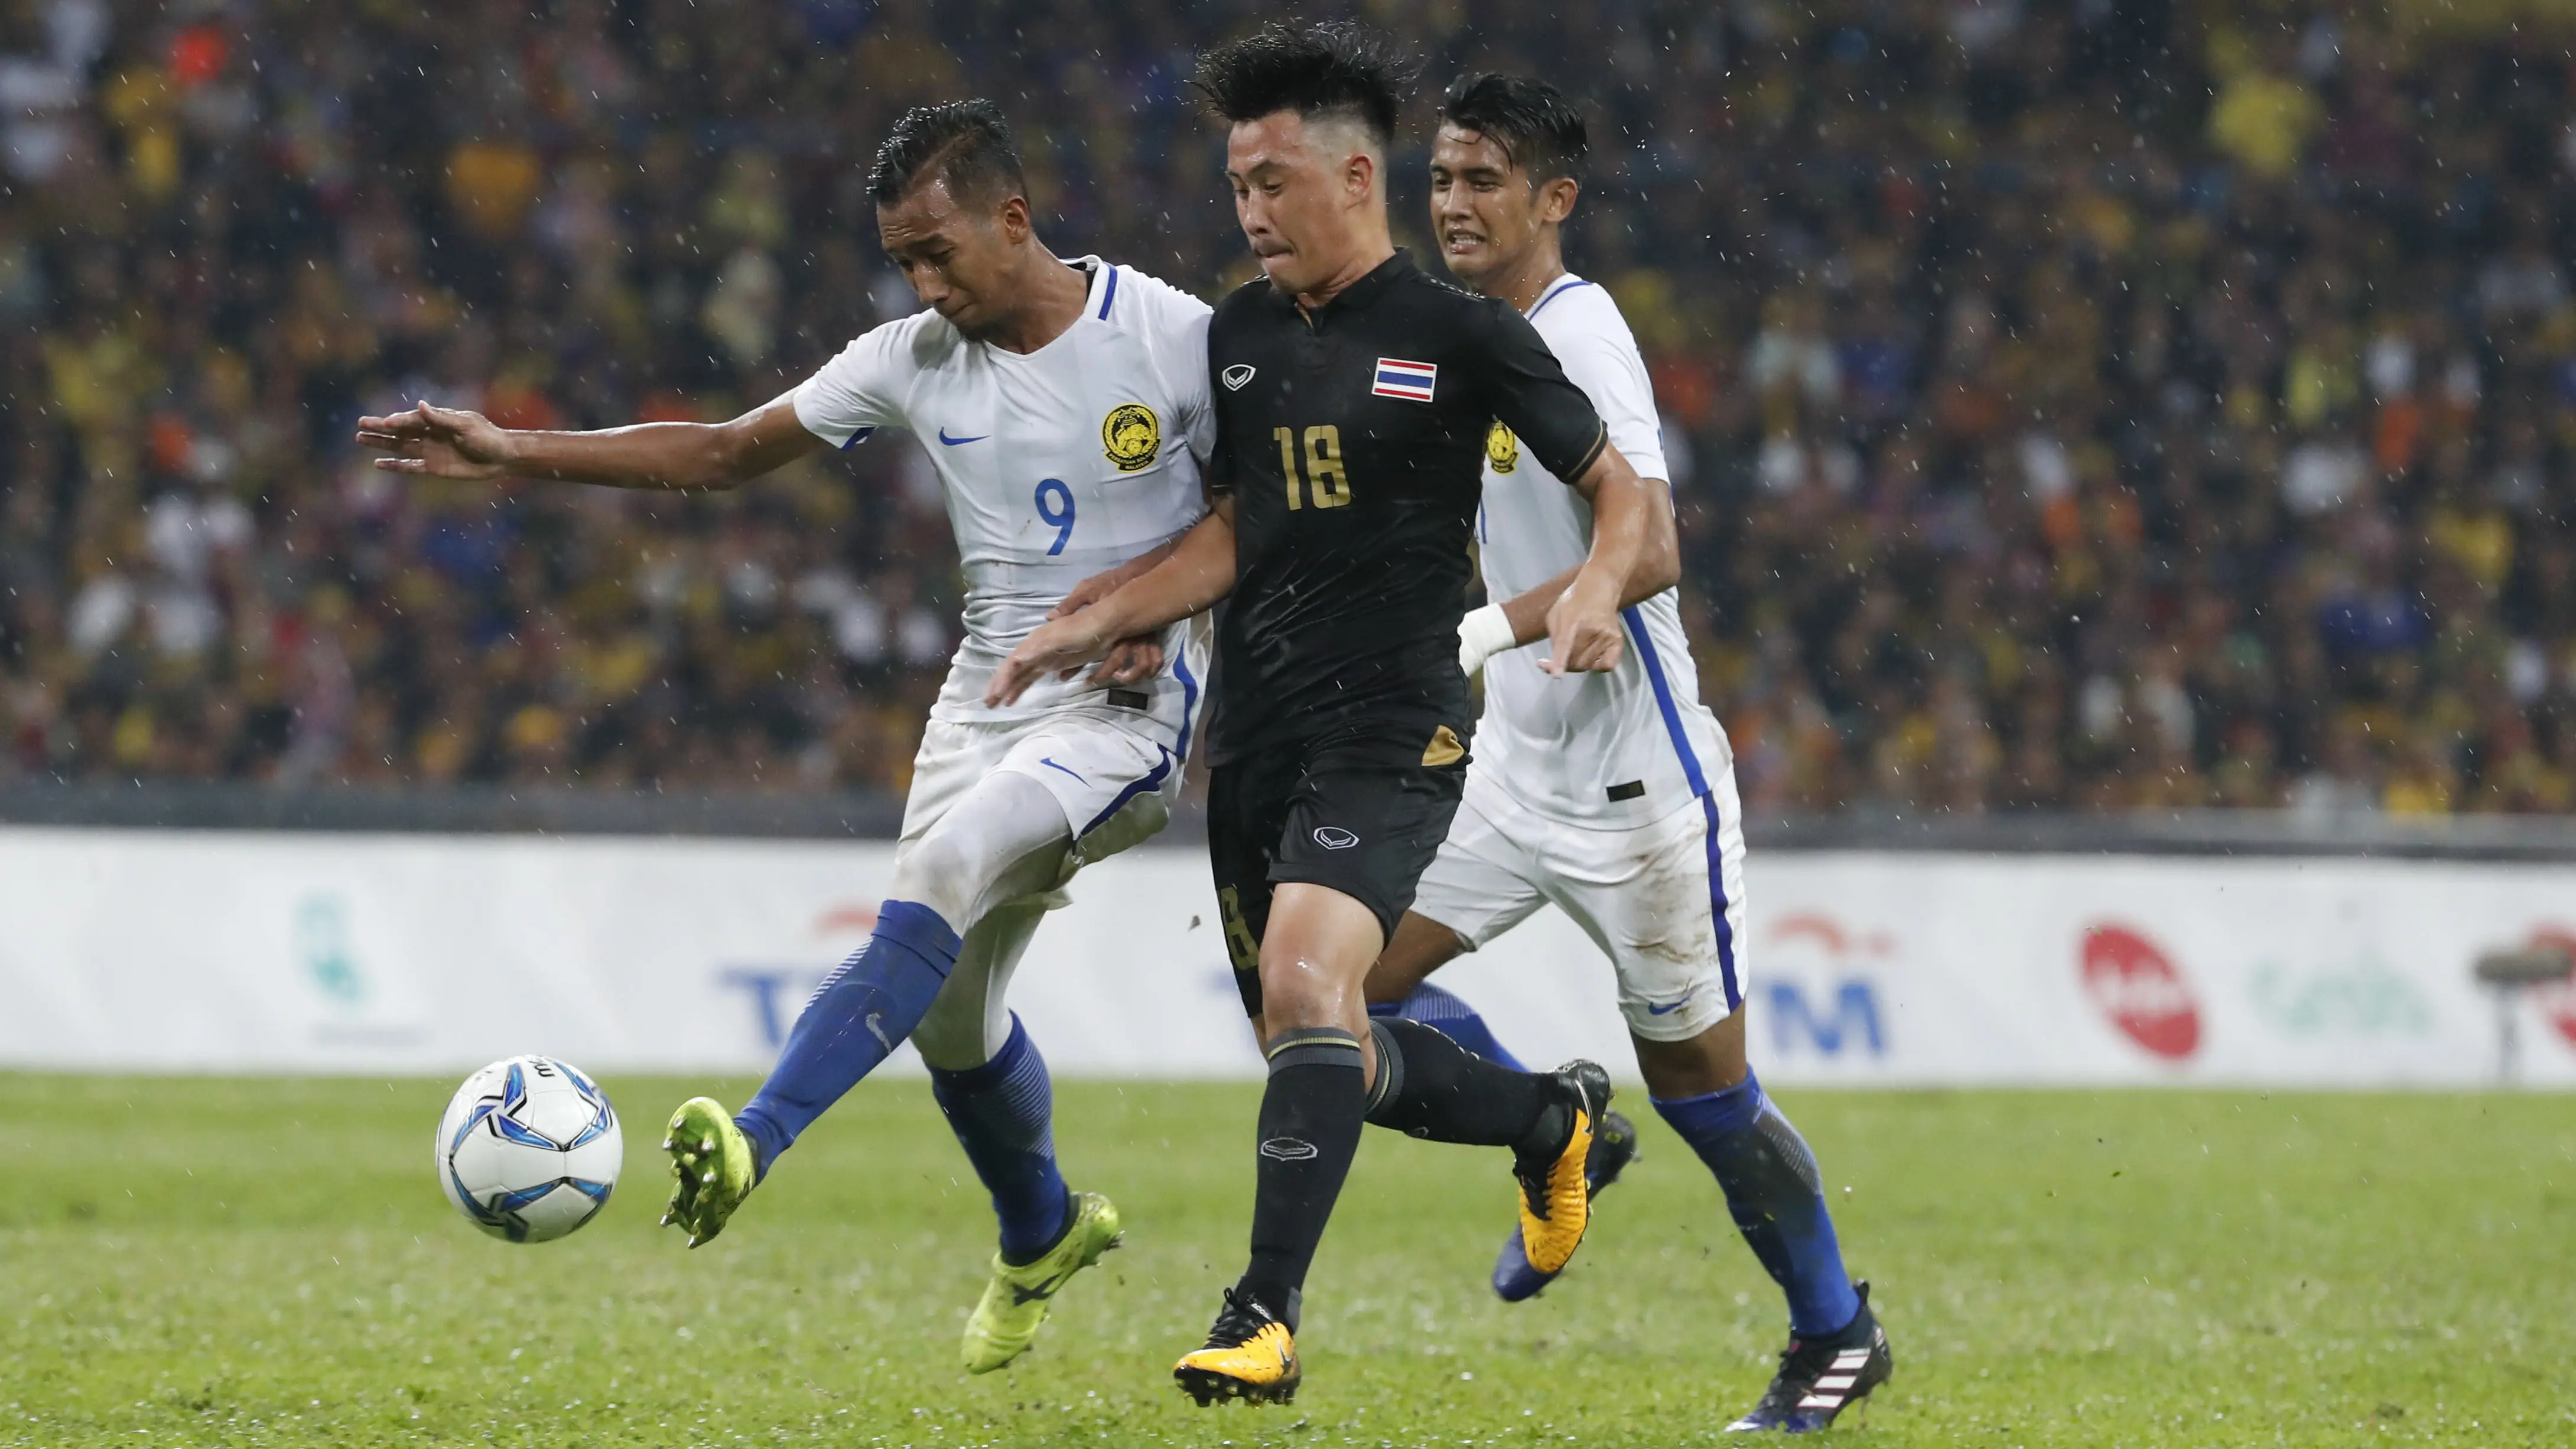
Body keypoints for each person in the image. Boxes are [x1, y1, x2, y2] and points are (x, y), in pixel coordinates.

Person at [355, 100, 1211, 1376]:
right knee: (952, 1021)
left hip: (1121, 713)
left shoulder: (1175, 338)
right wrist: (513, 450)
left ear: (1013, 219)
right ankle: (1039, 1229)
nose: (923, 285)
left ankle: (755, 1134)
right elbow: (719, 452)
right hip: (983, 702)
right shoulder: (914, 355)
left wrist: (1153, 605)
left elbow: (1272, 513)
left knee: (937, 876)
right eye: (902, 262)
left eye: (938, 253)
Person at [988, 21, 1670, 1408]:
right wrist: (1108, 611)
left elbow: (1625, 495)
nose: (1248, 212)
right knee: (1324, 1045)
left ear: (1356, 176)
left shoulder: (1461, 335)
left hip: (1398, 724)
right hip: (1259, 735)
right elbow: (1237, 528)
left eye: (1272, 182)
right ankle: (1553, 1116)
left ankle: (1263, 1316)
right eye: (1235, 185)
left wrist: (1596, 588)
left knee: (1307, 987)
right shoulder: (1234, 337)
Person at [1364, 74, 1895, 1431]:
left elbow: (1646, 540)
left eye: (1484, 181)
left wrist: (1539, 610)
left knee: (1710, 1095)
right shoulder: (1469, 336)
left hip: (1634, 797)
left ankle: (1834, 1332)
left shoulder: (1577, 331)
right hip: (1508, 774)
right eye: (1440, 178)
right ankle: (1561, 1127)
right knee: (1329, 997)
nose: (1452, 203)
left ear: (1554, 200)